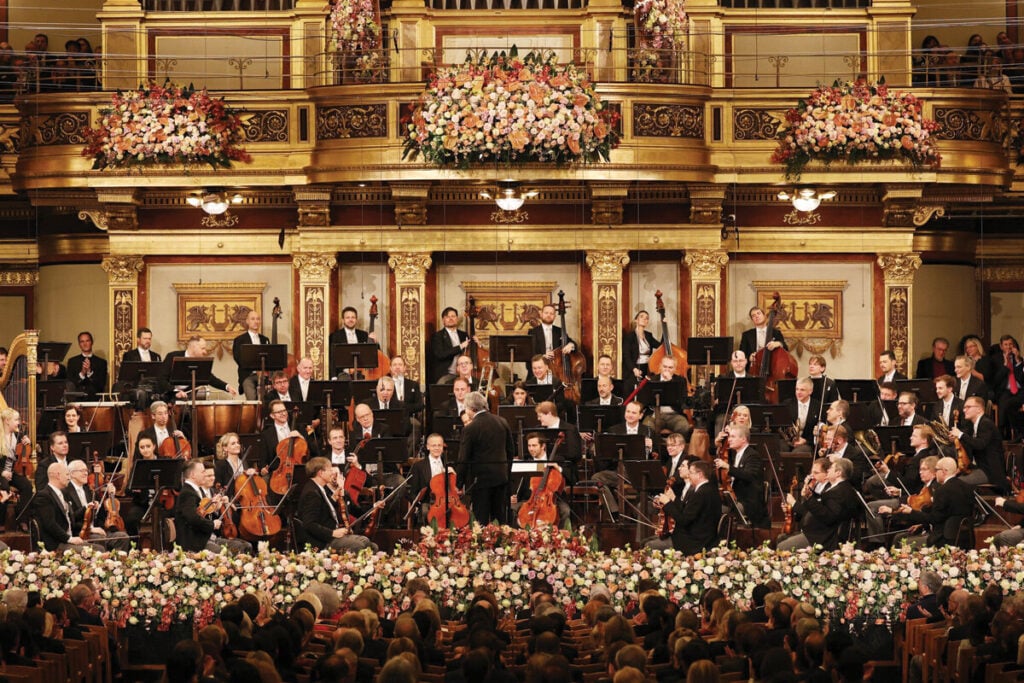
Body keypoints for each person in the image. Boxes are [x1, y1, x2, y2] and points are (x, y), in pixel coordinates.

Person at [880, 457, 974, 548]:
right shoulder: (968, 487)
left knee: (902, 543)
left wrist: (911, 512)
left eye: (937, 470)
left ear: (944, 471)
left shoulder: (942, 490)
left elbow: (934, 519)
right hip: (966, 538)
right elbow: (951, 515)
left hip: (943, 540)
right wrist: (922, 525)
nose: (935, 473)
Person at [295, 456, 377, 551]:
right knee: (361, 544)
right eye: (330, 470)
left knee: (370, 544)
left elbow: (325, 509)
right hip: (321, 541)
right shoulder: (312, 492)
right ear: (321, 473)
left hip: (330, 535)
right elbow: (309, 524)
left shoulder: (318, 488)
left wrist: (336, 497)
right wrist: (332, 533)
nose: (332, 473)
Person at [778, 457, 860, 551]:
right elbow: (824, 504)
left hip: (822, 537)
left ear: (838, 473)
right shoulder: (840, 489)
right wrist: (810, 494)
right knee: (781, 539)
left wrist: (809, 497)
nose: (828, 470)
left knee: (782, 547)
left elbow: (828, 516)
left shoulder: (839, 492)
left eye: (831, 468)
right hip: (818, 532)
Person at [456, 392, 513, 525]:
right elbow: (511, 451)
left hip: (480, 480)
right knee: (499, 518)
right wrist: (506, 472)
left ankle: (483, 545)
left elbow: (463, 458)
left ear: (471, 409)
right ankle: (502, 544)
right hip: (501, 477)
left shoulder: (470, 428)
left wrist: (459, 483)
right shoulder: (502, 422)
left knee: (481, 519)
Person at [174, 460, 251, 554]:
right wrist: (212, 524)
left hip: (206, 538)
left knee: (244, 547)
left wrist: (216, 508)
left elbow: (201, 514)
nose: (204, 474)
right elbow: (193, 518)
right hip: (196, 543)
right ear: (193, 475)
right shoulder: (187, 493)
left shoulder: (195, 491)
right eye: (203, 472)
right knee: (226, 554)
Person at [648, 460, 719, 554]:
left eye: (691, 473)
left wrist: (667, 503)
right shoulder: (708, 489)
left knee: (648, 545)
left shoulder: (701, 493)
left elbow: (683, 520)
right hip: (697, 536)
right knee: (648, 540)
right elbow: (686, 510)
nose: (688, 476)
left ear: (700, 474)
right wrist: (673, 500)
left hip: (694, 541)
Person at [65, 459, 130, 551]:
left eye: (86, 471)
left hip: (96, 530)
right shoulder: (66, 491)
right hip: (80, 533)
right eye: (82, 471)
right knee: (99, 539)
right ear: (71, 474)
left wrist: (110, 495)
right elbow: (71, 519)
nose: (86, 473)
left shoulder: (88, 490)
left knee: (123, 537)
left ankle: (117, 563)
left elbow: (99, 515)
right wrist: (90, 528)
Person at [950, 395, 1011, 493]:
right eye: (964, 407)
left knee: (956, 484)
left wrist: (961, 435)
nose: (964, 410)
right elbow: (970, 445)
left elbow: (980, 444)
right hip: (976, 468)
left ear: (979, 409)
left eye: (968, 407)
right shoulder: (973, 425)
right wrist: (957, 440)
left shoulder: (986, 423)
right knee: (951, 481)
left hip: (989, 471)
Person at [714, 424, 768, 529]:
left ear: (743, 439)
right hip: (735, 498)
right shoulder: (736, 455)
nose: (729, 439)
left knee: (719, 512)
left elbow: (749, 476)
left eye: (733, 437)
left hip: (748, 502)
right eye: (729, 436)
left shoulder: (753, 455)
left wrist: (728, 467)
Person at [511, 432, 571, 526]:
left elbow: (572, 478)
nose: (531, 449)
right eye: (529, 446)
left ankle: (560, 538)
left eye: (534, 445)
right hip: (529, 501)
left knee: (565, 510)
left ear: (543, 446)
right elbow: (516, 483)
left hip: (552, 501)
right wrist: (513, 496)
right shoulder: (527, 462)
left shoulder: (557, 459)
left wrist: (558, 468)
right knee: (512, 508)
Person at [33, 462, 90, 552]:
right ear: (58, 475)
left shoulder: (64, 493)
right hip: (56, 544)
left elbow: (71, 520)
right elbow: (50, 524)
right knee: (96, 550)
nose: (69, 477)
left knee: (98, 547)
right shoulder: (44, 496)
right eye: (67, 474)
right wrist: (69, 539)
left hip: (69, 540)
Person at [164, 335, 237, 398]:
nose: (205, 352)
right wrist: (175, 392)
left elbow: (209, 378)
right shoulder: (172, 356)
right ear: (193, 347)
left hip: (189, 398)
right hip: (170, 397)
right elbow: (161, 379)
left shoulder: (201, 361)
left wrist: (227, 387)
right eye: (203, 348)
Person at [407, 433, 451, 524]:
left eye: (439, 445)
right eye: (433, 445)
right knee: (425, 511)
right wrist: (418, 505)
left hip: (446, 502)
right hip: (427, 502)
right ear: (428, 447)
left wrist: (452, 474)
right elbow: (413, 492)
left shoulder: (448, 464)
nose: (437, 448)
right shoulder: (418, 466)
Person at [534, 400, 581, 484]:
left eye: (540, 416)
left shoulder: (570, 429)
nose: (538, 419)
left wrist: (556, 462)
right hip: (542, 467)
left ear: (549, 414)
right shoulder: (538, 430)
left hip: (564, 469)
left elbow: (575, 455)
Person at [0, 407, 34, 517]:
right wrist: (2, 473)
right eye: (16, 420)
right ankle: (1, 522)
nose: (18, 423)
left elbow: (25, 451)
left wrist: (28, 443)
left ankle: (21, 518)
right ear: (7, 421)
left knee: (27, 486)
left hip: (13, 472)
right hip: (1, 473)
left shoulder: (17, 435)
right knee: (4, 487)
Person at [329, 305, 377, 379]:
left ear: (356, 320)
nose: (350, 320)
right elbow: (332, 358)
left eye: (353, 317)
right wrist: (333, 376)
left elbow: (373, 354)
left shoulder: (364, 335)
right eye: (347, 317)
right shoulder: (335, 336)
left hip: (362, 375)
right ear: (343, 320)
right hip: (343, 375)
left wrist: (375, 342)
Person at [231, 309, 270, 400]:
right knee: (252, 401)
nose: (256, 321)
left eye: (258, 319)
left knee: (266, 401)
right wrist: (255, 369)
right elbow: (238, 359)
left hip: (263, 376)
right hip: (248, 375)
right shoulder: (239, 340)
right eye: (253, 319)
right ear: (247, 321)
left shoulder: (264, 339)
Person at [993, 335, 1024, 440]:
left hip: (1019, 391)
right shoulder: (995, 359)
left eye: (1010, 344)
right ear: (1001, 346)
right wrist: (1005, 365)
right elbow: (996, 380)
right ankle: (1003, 435)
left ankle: (1017, 432)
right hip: (1004, 391)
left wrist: (1018, 360)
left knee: (1011, 405)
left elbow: (1021, 378)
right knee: (1005, 406)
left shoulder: (1019, 359)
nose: (1008, 347)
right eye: (1006, 344)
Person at [648, 356, 689, 436]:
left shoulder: (680, 381)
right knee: (648, 427)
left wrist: (670, 382)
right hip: (655, 414)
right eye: (665, 366)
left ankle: (675, 447)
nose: (667, 369)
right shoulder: (652, 380)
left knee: (683, 427)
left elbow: (682, 402)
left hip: (674, 414)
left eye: (670, 367)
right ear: (660, 366)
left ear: (675, 369)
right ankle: (655, 448)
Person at [429, 307, 470, 383]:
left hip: (463, 374)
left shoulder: (464, 335)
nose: (450, 319)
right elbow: (440, 354)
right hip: (446, 374)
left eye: (453, 316)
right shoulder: (437, 336)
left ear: (457, 319)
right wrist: (460, 347)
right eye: (447, 317)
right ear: (443, 320)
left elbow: (470, 352)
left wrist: (478, 344)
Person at [738, 306, 787, 371]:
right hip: (754, 369)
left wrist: (778, 343)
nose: (756, 316)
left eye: (758, 313)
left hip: (773, 367)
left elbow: (786, 349)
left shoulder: (775, 332)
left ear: (764, 316)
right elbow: (741, 354)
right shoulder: (747, 335)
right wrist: (749, 357)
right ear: (752, 320)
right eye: (753, 315)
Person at [66, 331, 108, 399]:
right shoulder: (72, 361)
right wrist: (82, 374)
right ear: (79, 344)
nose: (85, 344)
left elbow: (101, 385)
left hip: (95, 400)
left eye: (87, 341)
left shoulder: (102, 362)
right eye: (82, 341)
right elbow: (70, 384)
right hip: (76, 400)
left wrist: (89, 373)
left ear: (91, 342)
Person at [623, 310, 660, 386]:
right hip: (634, 368)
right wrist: (634, 369)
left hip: (648, 368)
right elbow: (626, 356)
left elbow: (660, 346)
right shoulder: (630, 336)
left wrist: (664, 325)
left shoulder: (649, 335)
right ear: (636, 320)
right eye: (641, 316)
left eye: (647, 318)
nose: (644, 319)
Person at [784, 377, 819, 453]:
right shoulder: (787, 404)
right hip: (789, 440)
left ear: (810, 391)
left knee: (798, 452)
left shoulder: (817, 406)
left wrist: (806, 441)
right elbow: (783, 425)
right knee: (781, 449)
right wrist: (792, 439)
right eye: (797, 389)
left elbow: (819, 429)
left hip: (807, 442)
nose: (798, 392)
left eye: (802, 390)